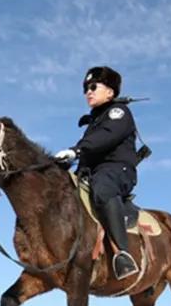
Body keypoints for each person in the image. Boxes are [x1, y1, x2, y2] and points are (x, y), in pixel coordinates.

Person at [54, 66, 140, 279]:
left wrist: (77, 150)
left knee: (102, 187)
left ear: (110, 92)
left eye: (93, 87)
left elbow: (105, 138)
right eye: (85, 89)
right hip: (92, 172)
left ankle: (123, 254)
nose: (88, 92)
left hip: (117, 170)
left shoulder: (118, 113)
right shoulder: (95, 120)